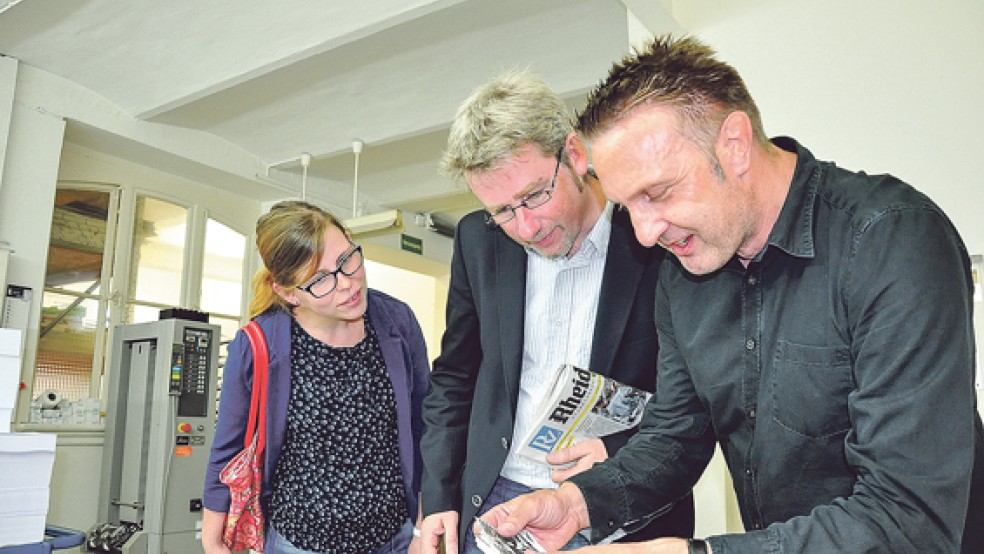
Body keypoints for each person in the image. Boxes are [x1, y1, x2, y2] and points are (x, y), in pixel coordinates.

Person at [480, 35, 984, 553]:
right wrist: (579, 503)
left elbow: (907, 515)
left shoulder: (889, 240)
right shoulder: (682, 271)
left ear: (734, 146)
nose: (647, 233)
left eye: (657, 193)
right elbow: (676, 436)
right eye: (629, 206)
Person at [417, 70, 694, 554]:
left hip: (616, 504)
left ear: (574, 154)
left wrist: (617, 452)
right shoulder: (479, 240)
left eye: (534, 196)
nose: (524, 226)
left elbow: (694, 395)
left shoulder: (655, 234)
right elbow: (456, 375)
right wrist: (437, 495)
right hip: (498, 498)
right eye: (502, 210)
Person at [202, 201, 430, 554]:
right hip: (300, 543)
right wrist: (213, 540)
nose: (347, 285)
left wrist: (420, 529)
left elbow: (425, 429)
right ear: (289, 293)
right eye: (321, 280)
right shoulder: (258, 344)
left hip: (395, 540)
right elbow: (229, 448)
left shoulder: (397, 322)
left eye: (347, 260)